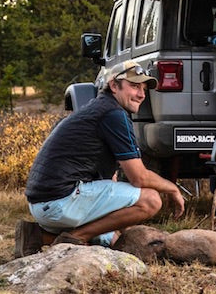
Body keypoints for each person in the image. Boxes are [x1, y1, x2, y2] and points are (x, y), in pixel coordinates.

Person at [15, 61, 185, 257]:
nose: (141, 94)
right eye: (135, 86)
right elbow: (139, 177)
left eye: (144, 89)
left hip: (44, 203)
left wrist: (112, 229)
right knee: (150, 200)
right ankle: (75, 237)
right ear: (114, 85)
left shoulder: (98, 109)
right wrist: (172, 188)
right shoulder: (113, 114)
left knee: (110, 241)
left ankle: (39, 236)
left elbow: (109, 179)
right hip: (60, 201)